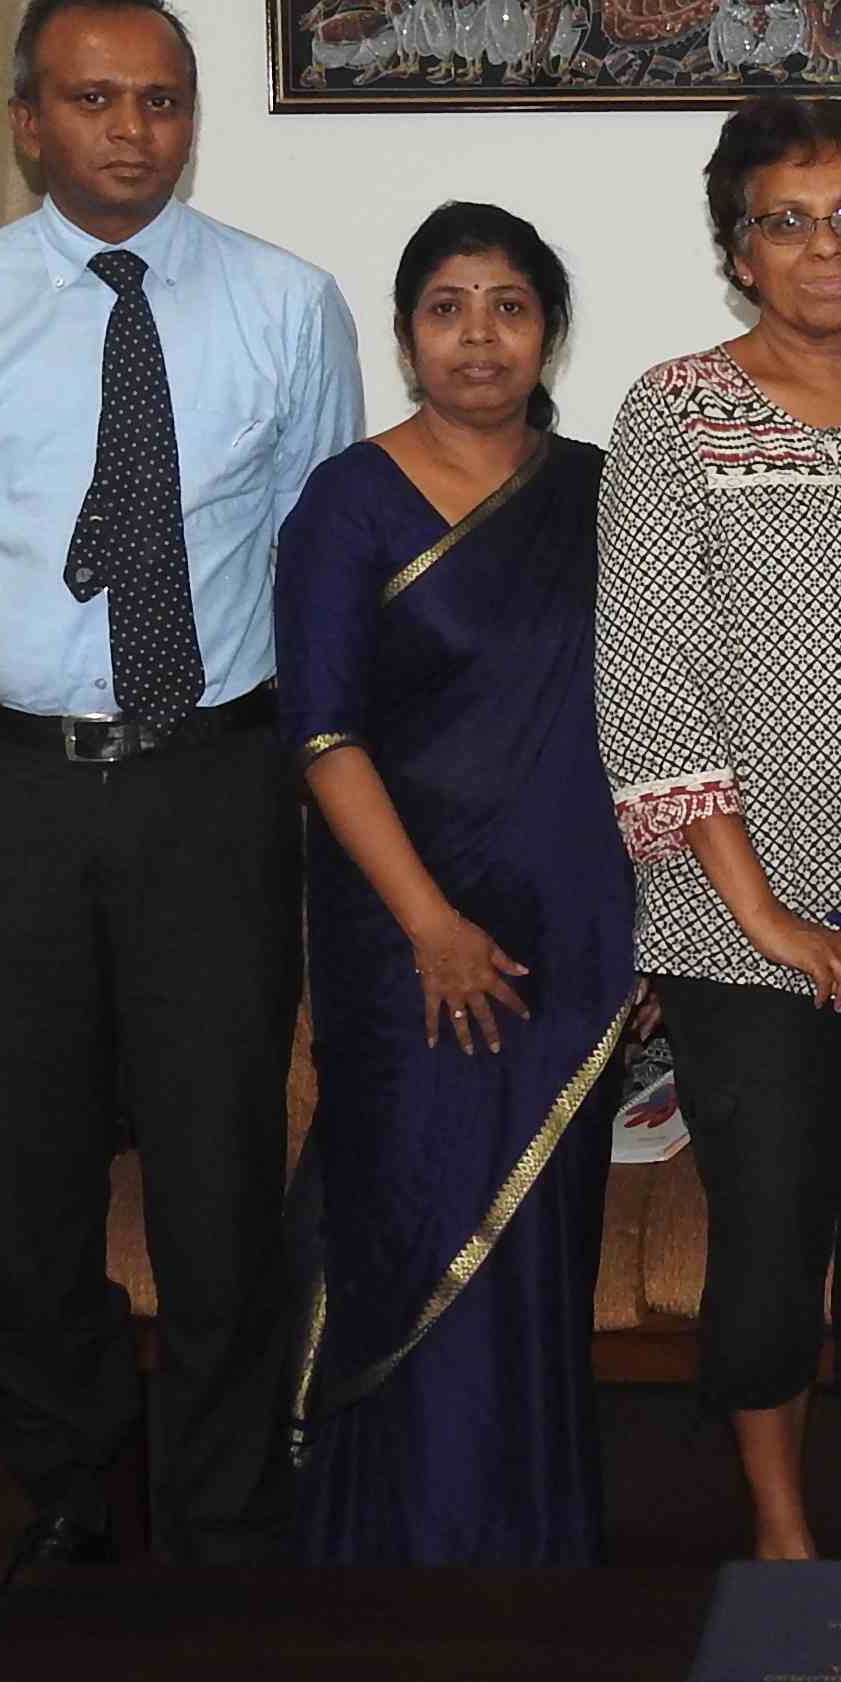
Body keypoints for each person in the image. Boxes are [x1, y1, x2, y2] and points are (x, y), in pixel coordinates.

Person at [0, 0, 360, 1576]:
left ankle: (227, 1498)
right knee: (27, 1163)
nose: (132, 129)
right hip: (4, 792)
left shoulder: (287, 305)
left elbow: (315, 559)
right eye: (94, 98)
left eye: (159, 99)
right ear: (28, 124)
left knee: (219, 1160)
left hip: (209, 785)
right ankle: (69, 1479)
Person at [597, 100, 841, 1560]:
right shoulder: (672, 407)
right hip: (731, 923)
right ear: (737, 249)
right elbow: (649, 669)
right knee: (765, 1250)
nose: (825, 246)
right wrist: (766, 917)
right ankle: (782, 1535)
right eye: (786, 218)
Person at [276, 203, 638, 1563]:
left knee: (539, 1252)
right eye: (445, 306)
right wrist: (428, 922)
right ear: (407, 334)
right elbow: (320, 731)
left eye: (509, 305)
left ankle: (535, 1548)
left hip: (572, 938)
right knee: (410, 1218)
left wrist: (654, 921)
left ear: (548, 332)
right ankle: (398, 1546)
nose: (478, 335)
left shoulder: (603, 493)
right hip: (404, 942)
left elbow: (660, 718)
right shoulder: (348, 502)